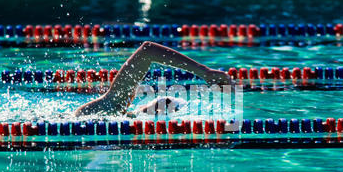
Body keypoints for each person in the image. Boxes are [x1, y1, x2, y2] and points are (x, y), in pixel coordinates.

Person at [75, 41, 234, 117]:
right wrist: (204, 72)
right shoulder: (115, 105)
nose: (161, 108)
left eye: (170, 109)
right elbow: (147, 51)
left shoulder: (119, 115)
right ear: (144, 103)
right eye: (165, 101)